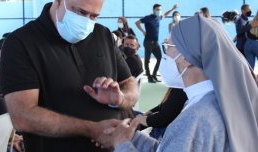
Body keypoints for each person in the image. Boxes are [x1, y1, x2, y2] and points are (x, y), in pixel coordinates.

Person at [0, 0, 139, 152]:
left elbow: (130, 85)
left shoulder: (101, 34)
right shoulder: (21, 43)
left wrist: (119, 99)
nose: (87, 22)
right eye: (81, 12)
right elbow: (23, 116)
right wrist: (91, 130)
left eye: (94, 16)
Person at [101, 14, 258, 152]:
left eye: (168, 47)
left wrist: (121, 144)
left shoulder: (196, 117)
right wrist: (133, 138)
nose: (165, 54)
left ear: (187, 59)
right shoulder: (213, 101)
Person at [135, 3, 178, 83]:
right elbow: (137, 22)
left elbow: (165, 14)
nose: (159, 11)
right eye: (157, 9)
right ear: (153, 10)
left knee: (160, 59)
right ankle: (149, 77)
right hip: (148, 42)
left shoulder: (159, 17)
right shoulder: (148, 18)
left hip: (156, 43)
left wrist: (172, 9)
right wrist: (143, 31)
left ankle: (154, 75)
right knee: (147, 60)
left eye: (160, 9)